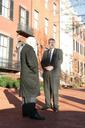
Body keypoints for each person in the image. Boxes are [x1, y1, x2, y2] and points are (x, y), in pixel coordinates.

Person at [16, 35, 45, 120]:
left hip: (25, 76)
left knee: (26, 95)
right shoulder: (30, 49)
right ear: (31, 42)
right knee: (31, 95)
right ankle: (33, 113)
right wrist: (38, 72)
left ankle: (25, 112)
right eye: (35, 42)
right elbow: (32, 64)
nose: (35, 44)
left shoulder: (23, 49)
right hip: (30, 77)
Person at [41, 38, 63, 112]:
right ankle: (47, 104)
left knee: (54, 90)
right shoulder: (45, 52)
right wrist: (45, 67)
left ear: (55, 43)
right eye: (50, 42)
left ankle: (55, 105)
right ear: (48, 44)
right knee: (46, 90)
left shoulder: (58, 51)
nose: (51, 44)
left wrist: (52, 66)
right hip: (46, 73)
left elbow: (60, 60)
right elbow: (42, 61)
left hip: (55, 73)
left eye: (53, 42)